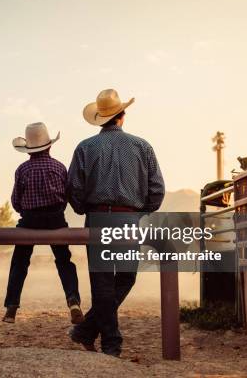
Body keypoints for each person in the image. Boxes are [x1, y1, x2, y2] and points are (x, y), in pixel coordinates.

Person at [66, 89, 165, 357]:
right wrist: (141, 211)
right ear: (122, 116)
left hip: (97, 218)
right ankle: (108, 342)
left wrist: (84, 209)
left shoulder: (85, 147)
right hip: (128, 218)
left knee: (102, 283)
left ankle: (91, 333)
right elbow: (157, 189)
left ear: (101, 119)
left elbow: (73, 187)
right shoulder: (142, 146)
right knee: (126, 277)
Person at [3, 122, 84, 324]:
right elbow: (66, 196)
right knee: (64, 261)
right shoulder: (59, 167)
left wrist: (27, 210)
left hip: (30, 220)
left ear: (28, 149)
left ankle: (11, 307)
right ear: (49, 145)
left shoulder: (22, 169)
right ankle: (73, 300)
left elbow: (15, 201)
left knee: (19, 262)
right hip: (55, 219)